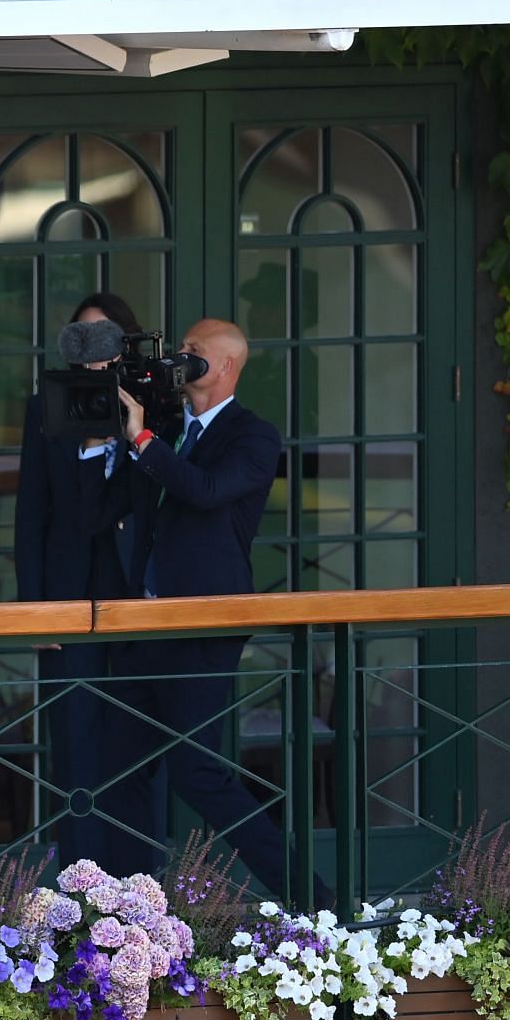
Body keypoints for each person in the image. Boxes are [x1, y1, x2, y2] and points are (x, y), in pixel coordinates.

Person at [103, 318, 307, 900]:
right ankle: (130, 913)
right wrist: (110, 438)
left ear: (223, 367)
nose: (181, 359)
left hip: (204, 624)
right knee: (120, 773)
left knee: (197, 772)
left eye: (193, 352)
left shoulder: (253, 436)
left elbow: (207, 491)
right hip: (145, 622)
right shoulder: (164, 427)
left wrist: (143, 441)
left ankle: (309, 898)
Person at [15, 293, 157, 870]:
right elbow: (34, 514)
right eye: (84, 342)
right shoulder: (46, 410)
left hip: (137, 605)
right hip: (67, 603)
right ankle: (81, 891)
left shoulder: (149, 408)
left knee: (136, 747)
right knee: (75, 747)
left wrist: (126, 435)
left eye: (107, 343)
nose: (95, 359)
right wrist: (32, 609)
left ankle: (146, 893)